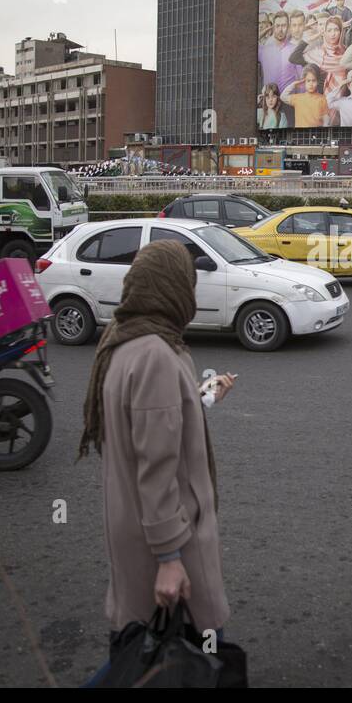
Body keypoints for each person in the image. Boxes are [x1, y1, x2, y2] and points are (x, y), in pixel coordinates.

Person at [79, 241, 236, 678]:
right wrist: (169, 557)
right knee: (172, 662)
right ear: (170, 287)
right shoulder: (156, 355)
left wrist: (204, 396)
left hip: (138, 533)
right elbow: (157, 468)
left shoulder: (126, 338)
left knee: (142, 656)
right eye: (188, 282)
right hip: (170, 546)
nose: (193, 292)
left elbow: (155, 425)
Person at [290, 16, 347, 94]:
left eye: (336, 30)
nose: (333, 34)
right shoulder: (318, 53)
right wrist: (314, 37)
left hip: (343, 99)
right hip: (321, 100)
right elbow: (293, 58)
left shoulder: (347, 52)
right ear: (325, 32)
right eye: (329, 30)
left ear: (341, 32)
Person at [257, 10, 300, 93]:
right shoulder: (263, 50)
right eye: (277, 26)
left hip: (288, 102)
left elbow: (301, 79)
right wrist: (265, 30)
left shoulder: (295, 50)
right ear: (273, 27)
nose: (280, 29)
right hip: (269, 101)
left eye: (283, 25)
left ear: (288, 27)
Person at [282, 63, 331, 128]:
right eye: (308, 81)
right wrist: (294, 84)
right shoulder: (298, 98)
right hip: (300, 136)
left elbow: (326, 121)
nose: (311, 84)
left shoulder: (322, 99)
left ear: (318, 81)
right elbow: (283, 96)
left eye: (313, 81)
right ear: (304, 81)